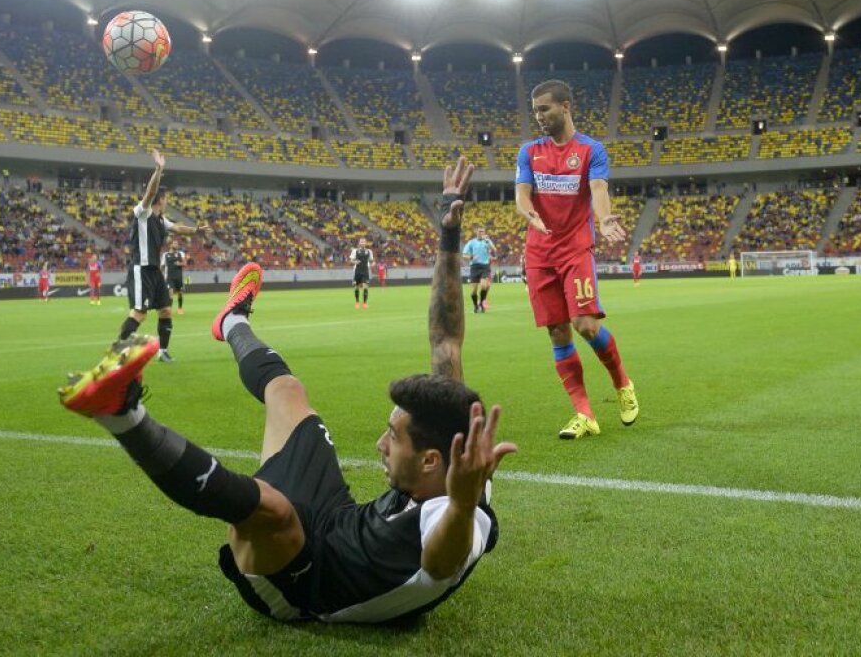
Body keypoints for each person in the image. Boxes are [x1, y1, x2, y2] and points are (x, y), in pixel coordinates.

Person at [58, 157, 515, 623]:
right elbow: (446, 341)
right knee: (287, 390)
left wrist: (461, 502)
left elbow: (442, 562)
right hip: (335, 518)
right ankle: (233, 321)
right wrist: (448, 233)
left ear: (431, 462)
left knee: (272, 509)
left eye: (393, 438)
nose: (380, 443)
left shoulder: (459, 519)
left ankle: (120, 414)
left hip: (305, 579)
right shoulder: (458, 437)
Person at [515, 79, 638, 440]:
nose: (538, 116)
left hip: (575, 249)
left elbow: (598, 190)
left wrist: (603, 218)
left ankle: (622, 383)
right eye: (535, 110)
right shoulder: (529, 151)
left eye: (544, 109)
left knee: (585, 325)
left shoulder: (590, 150)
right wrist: (528, 214)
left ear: (565, 106)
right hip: (539, 253)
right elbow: (522, 194)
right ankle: (584, 414)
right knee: (557, 332)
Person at [116, 149, 213, 363]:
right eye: (166, 198)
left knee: (166, 310)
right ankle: (118, 353)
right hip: (141, 269)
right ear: (161, 199)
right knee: (139, 313)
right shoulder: (143, 213)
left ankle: (163, 351)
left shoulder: (161, 220)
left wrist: (196, 231)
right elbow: (150, 193)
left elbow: (178, 228)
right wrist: (159, 169)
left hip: (155, 272)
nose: (167, 201)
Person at [462, 226, 497, 313]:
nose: (481, 233)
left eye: (483, 231)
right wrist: (471, 257)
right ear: (476, 232)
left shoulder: (487, 241)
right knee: (473, 291)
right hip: (474, 267)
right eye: (480, 231)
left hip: (485, 266)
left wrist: (488, 241)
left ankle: (481, 303)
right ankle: (475, 306)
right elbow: (464, 254)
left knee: (484, 286)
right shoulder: (471, 242)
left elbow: (494, 249)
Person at [163, 239, 188, 315]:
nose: (176, 245)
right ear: (170, 245)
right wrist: (161, 275)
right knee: (170, 293)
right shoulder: (165, 255)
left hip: (179, 277)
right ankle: (169, 309)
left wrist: (179, 264)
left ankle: (180, 308)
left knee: (180, 293)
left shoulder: (181, 253)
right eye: (174, 243)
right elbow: (162, 266)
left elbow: (184, 263)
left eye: (177, 244)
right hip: (169, 278)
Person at [350, 237, 374, 309]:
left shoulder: (369, 251)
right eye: (361, 242)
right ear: (359, 243)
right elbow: (351, 260)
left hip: (365, 270)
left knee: (365, 286)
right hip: (357, 270)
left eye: (364, 242)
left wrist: (372, 264)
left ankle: (365, 303)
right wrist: (355, 262)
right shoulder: (355, 251)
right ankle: (357, 302)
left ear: (366, 243)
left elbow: (371, 260)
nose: (363, 243)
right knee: (356, 287)